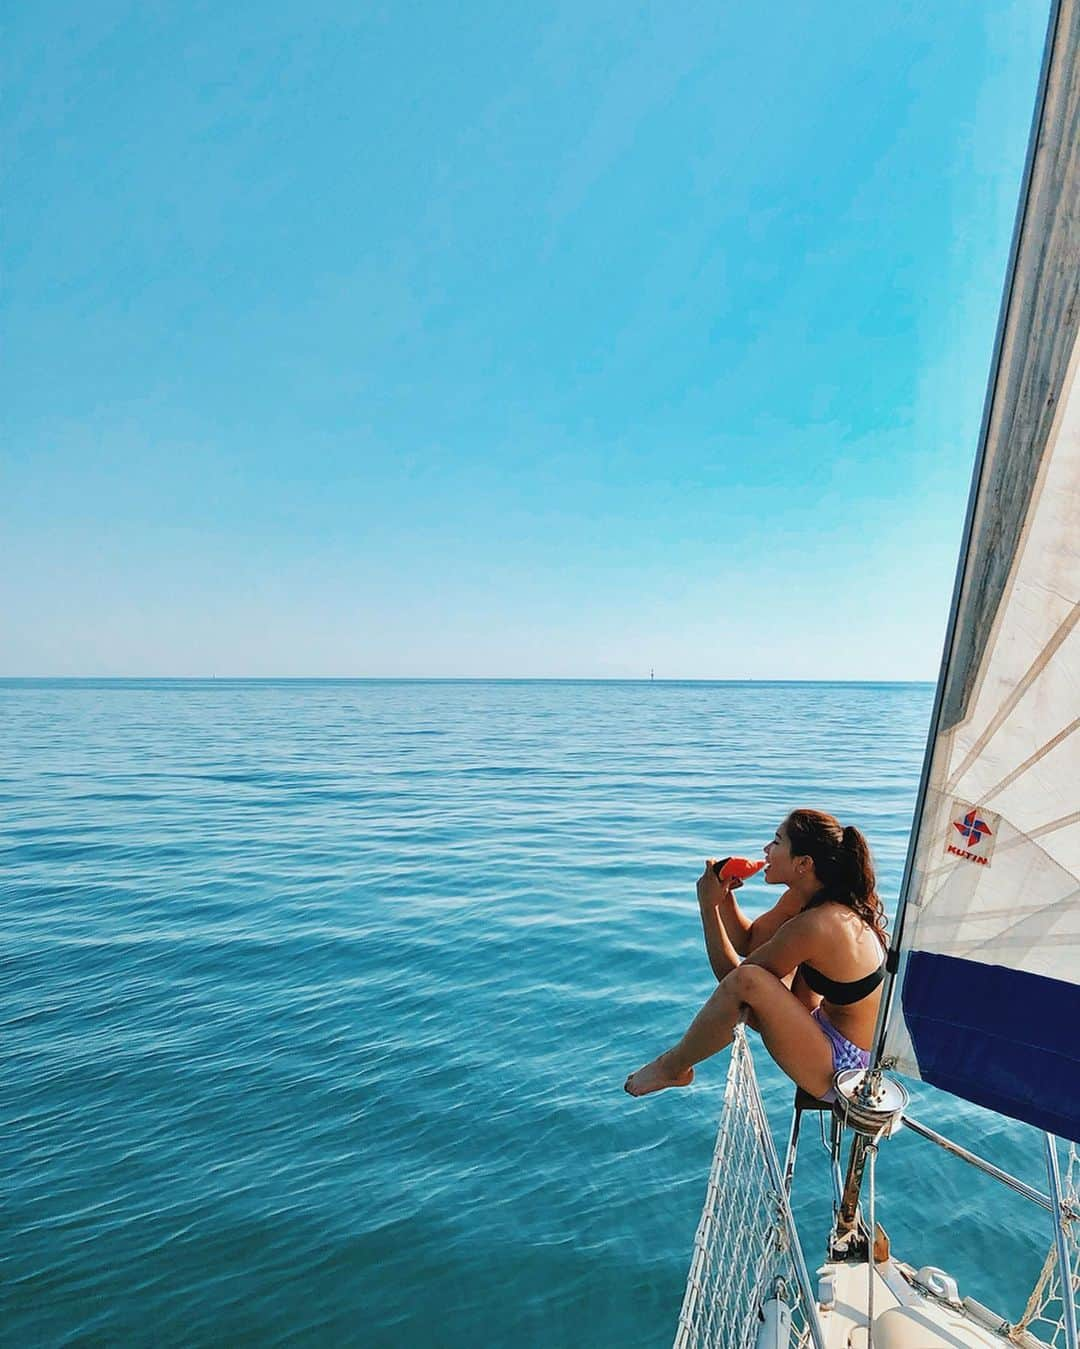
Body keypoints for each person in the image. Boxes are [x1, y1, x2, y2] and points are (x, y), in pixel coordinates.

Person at [624, 809, 888, 1102]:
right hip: (824, 1028)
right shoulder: (803, 900)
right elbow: (749, 941)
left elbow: (736, 982)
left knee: (749, 980)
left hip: (845, 1070)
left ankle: (673, 1067)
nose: (766, 850)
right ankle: (673, 1067)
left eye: (776, 842)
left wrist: (707, 908)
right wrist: (723, 896)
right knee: (759, 976)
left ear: (803, 863)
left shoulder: (818, 924)